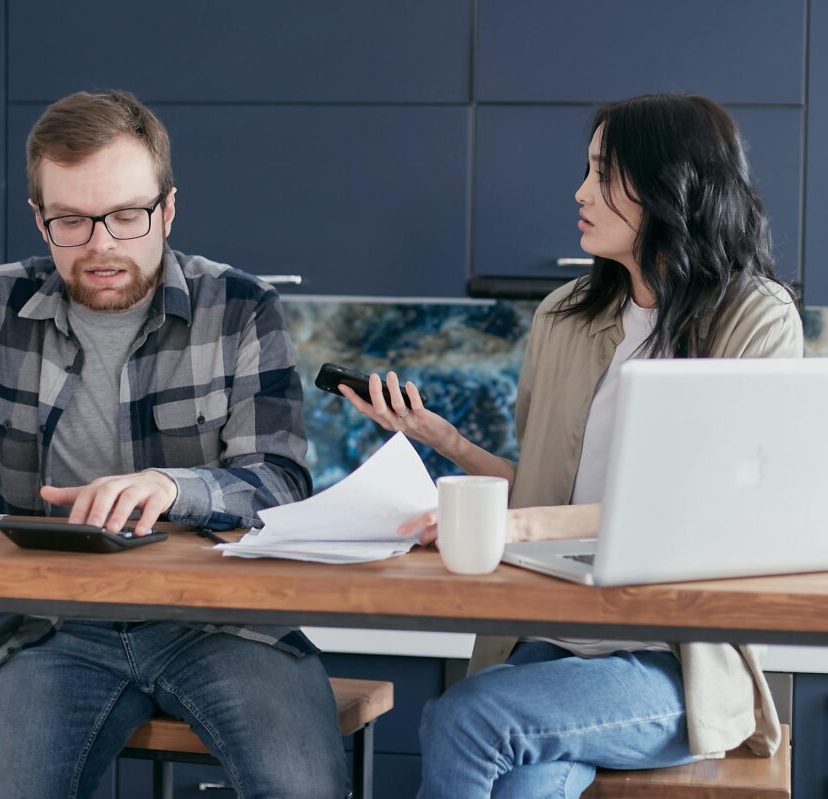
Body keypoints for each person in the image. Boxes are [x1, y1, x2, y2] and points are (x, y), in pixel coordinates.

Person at [0, 90, 347, 799]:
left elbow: (280, 482)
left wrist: (174, 486)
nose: (102, 244)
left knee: (299, 788)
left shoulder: (241, 309)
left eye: (126, 215)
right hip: (51, 625)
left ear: (167, 210)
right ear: (40, 218)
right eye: (72, 221)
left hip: (224, 622)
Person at [342, 93, 801, 798]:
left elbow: (699, 514)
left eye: (602, 173)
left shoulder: (755, 319)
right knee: (520, 777)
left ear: (670, 184)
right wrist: (444, 438)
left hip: (675, 664)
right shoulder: (564, 316)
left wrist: (512, 525)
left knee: (468, 717)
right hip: (556, 639)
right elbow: (553, 500)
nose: (580, 192)